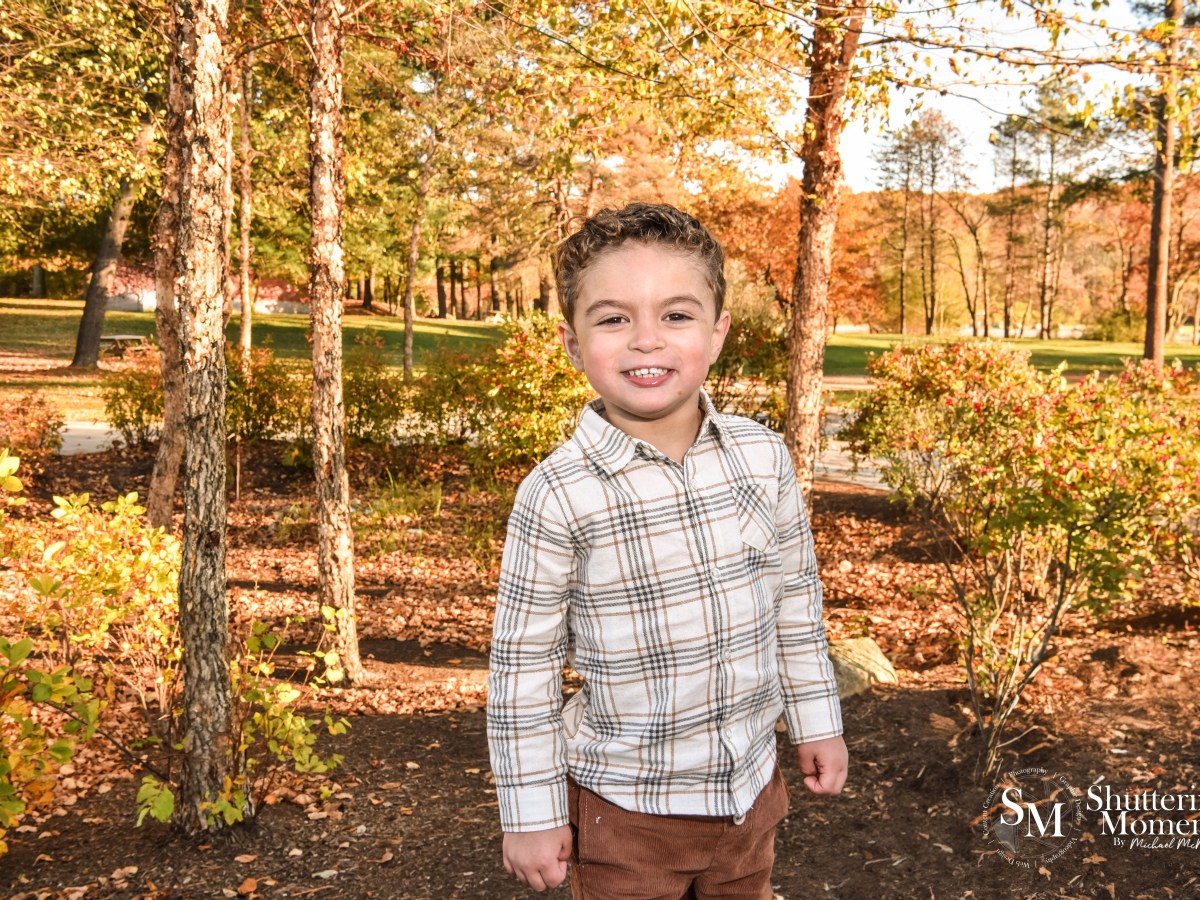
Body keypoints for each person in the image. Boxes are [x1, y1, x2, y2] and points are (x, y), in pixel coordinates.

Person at [487, 202, 847, 899]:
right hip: (627, 815)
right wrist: (529, 812)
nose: (646, 340)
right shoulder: (557, 493)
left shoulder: (762, 457)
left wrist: (817, 722)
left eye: (676, 316)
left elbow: (795, 604)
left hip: (750, 796)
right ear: (570, 341)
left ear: (717, 334)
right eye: (614, 318)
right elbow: (521, 670)